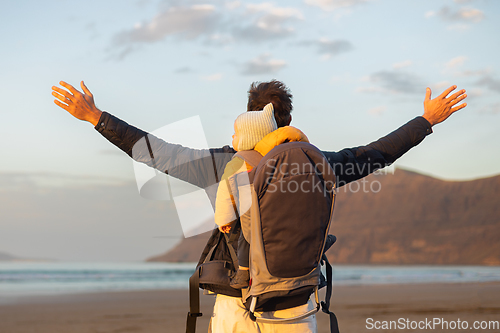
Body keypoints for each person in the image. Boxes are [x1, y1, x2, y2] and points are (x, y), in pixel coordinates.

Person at [51, 79, 467, 332]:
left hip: (236, 299)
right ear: (286, 120)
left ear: (249, 119)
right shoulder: (316, 162)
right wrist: (426, 120)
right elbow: (376, 153)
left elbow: (158, 153)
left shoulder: (228, 162)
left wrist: (96, 117)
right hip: (296, 300)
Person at [215, 103, 310, 289]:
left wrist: (224, 220)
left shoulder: (239, 161)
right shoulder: (288, 156)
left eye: (236, 134)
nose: (232, 137)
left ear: (248, 137)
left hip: (257, 221)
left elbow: (225, 195)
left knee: (245, 236)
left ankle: (243, 271)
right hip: (289, 219)